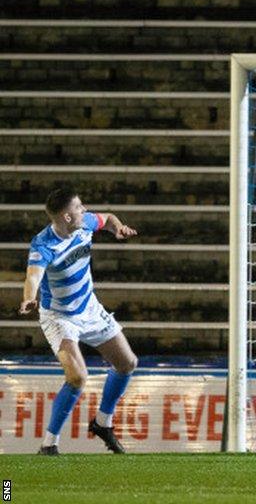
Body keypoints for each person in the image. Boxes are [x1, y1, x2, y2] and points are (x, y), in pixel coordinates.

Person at [20, 187, 139, 455]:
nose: (84, 210)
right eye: (79, 207)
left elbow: (107, 218)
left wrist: (117, 228)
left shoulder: (84, 222)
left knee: (127, 363)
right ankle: (49, 445)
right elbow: (33, 277)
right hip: (60, 317)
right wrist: (29, 297)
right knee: (77, 377)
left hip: (89, 307)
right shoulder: (43, 245)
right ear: (66, 217)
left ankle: (102, 423)